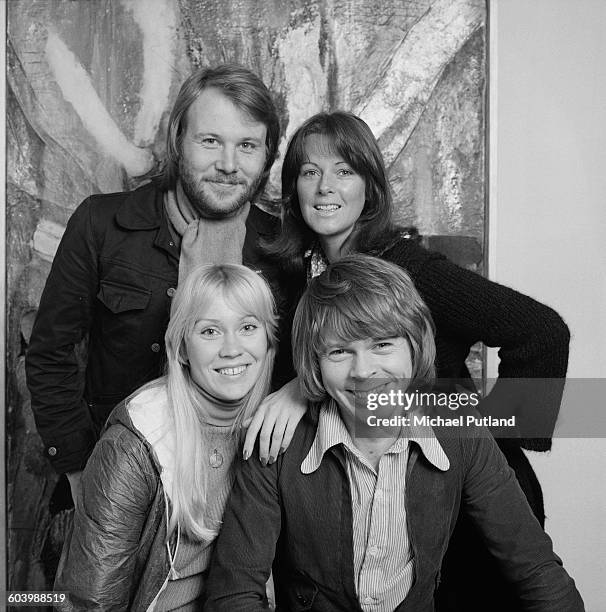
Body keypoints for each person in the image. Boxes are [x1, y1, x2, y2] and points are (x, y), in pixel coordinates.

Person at [263, 111, 571, 609]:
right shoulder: (306, 283)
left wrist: (489, 440)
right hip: (390, 504)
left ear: (371, 188)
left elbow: (542, 332)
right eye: (309, 172)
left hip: (470, 508)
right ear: (293, 188)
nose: (324, 187)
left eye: (344, 170)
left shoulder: (411, 270)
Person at [204, 255, 583, 612]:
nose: (364, 371)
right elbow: (234, 592)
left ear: (414, 349)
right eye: (338, 352)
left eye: (382, 345)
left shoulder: (462, 431)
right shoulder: (277, 443)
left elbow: (536, 571)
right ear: (315, 363)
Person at [25, 64, 296, 506]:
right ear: (177, 140)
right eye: (210, 141)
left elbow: (303, 366)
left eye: (247, 145)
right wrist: (79, 470)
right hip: (118, 477)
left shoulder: (281, 248)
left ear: (267, 155)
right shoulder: (101, 224)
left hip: (241, 489)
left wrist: (295, 393)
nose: (228, 165)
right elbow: (49, 354)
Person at [54, 263, 278, 610]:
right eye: (209, 332)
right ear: (182, 349)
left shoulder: (276, 423)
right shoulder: (135, 444)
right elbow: (89, 600)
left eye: (248, 327)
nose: (232, 348)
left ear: (268, 340)